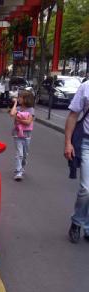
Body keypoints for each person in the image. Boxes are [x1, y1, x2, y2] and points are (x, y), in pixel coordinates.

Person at [64, 80, 89, 243]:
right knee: (86, 188)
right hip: (86, 142)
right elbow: (73, 115)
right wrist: (68, 142)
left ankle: (87, 226)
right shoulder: (86, 86)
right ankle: (77, 222)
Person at [9, 90, 35, 181]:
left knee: (24, 154)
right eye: (18, 97)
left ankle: (22, 167)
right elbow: (12, 113)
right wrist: (15, 104)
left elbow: (28, 122)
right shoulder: (18, 108)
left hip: (27, 134)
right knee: (19, 153)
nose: (19, 98)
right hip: (17, 133)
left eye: (20, 97)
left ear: (26, 99)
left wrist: (18, 119)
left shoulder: (31, 110)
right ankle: (18, 171)